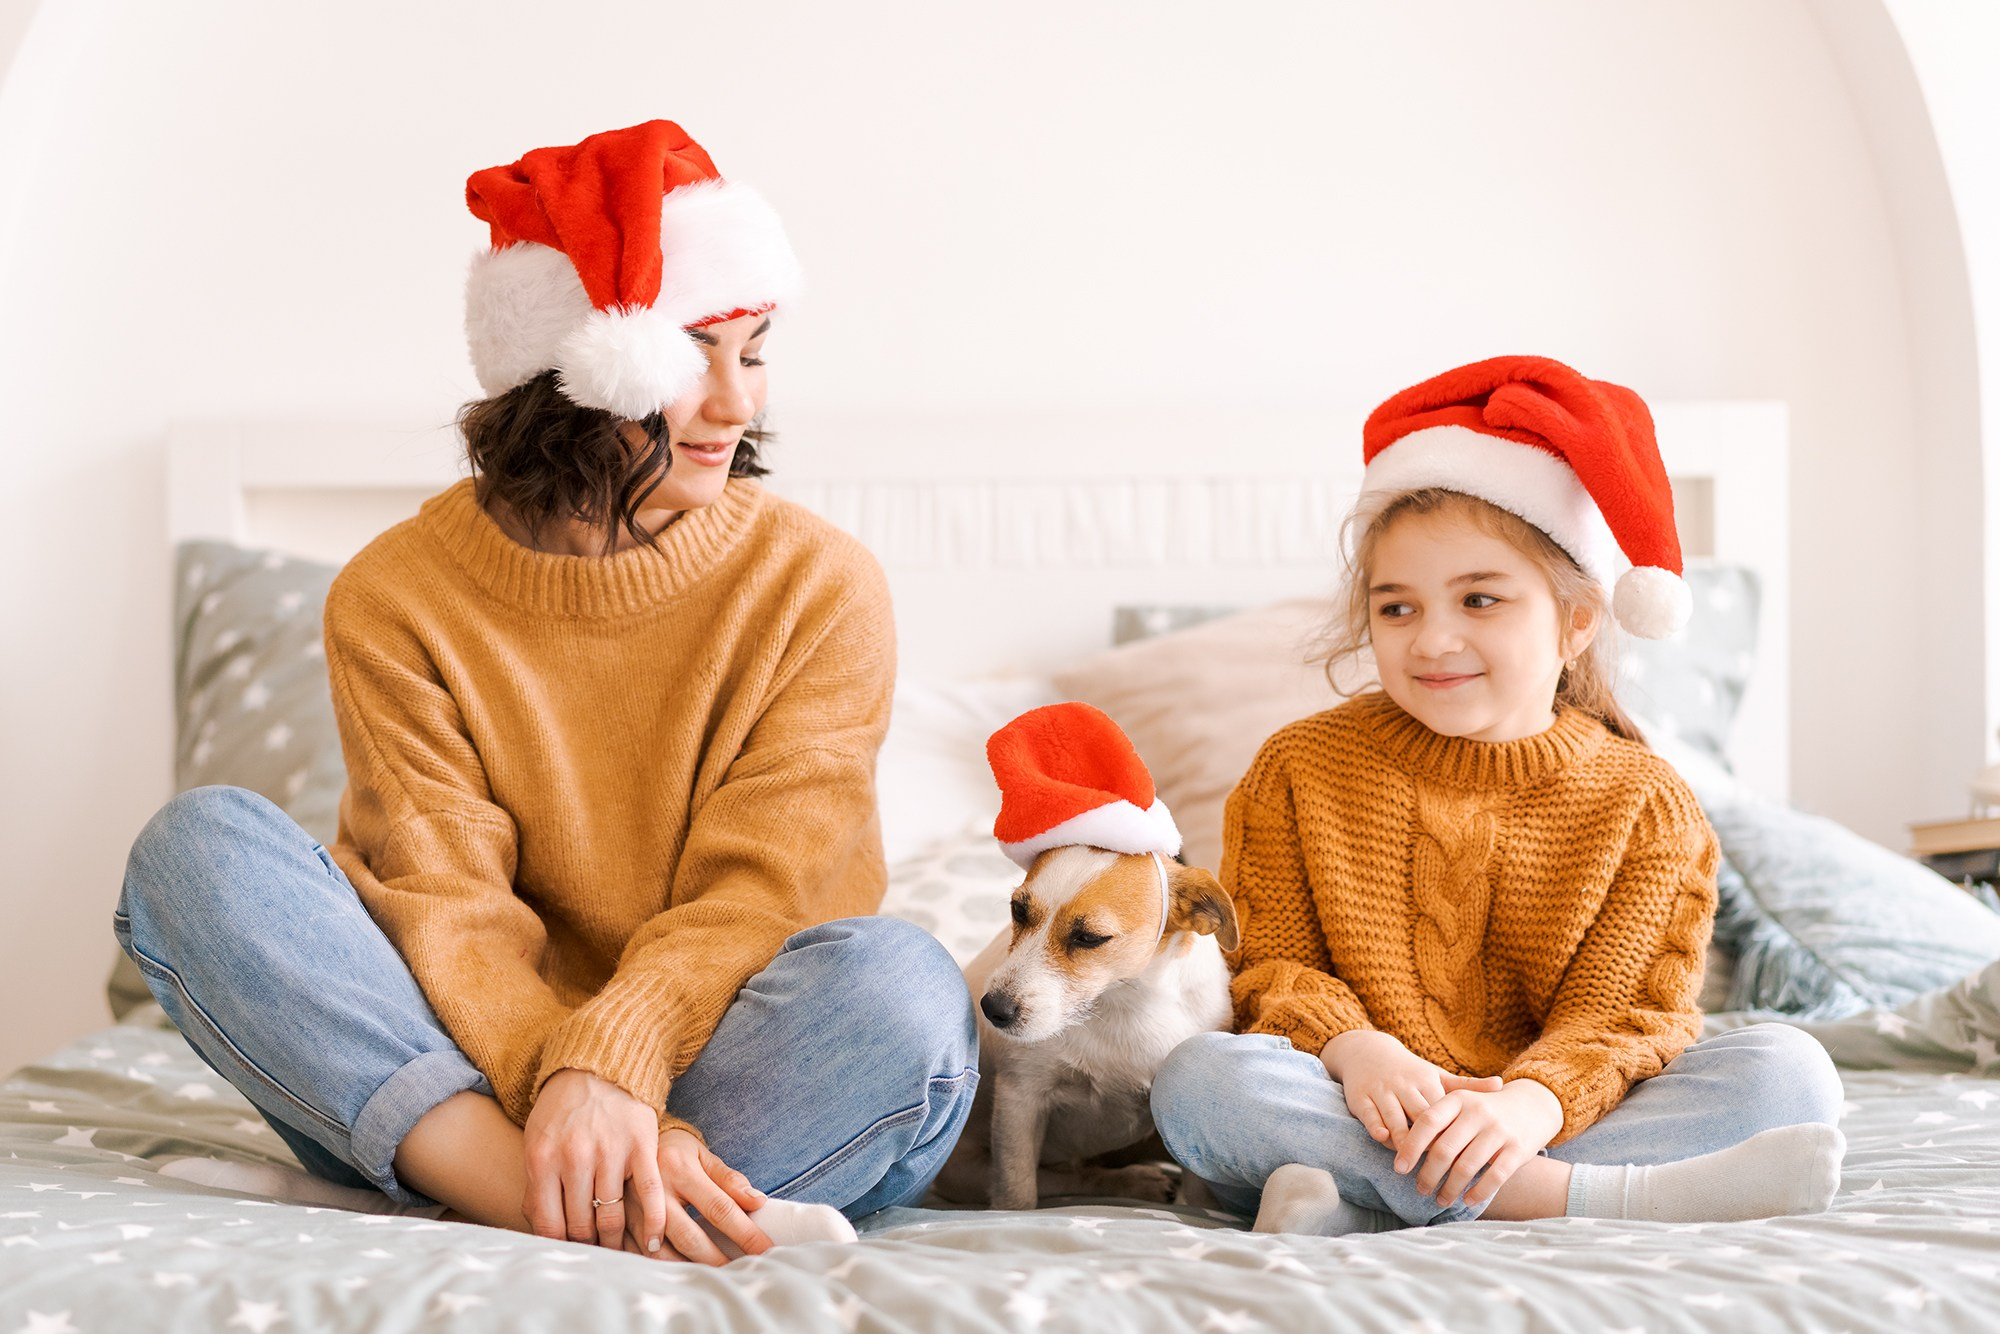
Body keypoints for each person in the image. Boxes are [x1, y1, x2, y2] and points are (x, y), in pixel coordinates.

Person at [115, 120, 978, 1264]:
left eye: (755, 349)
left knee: (904, 991)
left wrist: (611, 1060)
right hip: (452, 1071)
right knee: (196, 849)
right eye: (691, 355)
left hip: (719, 1065)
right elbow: (447, 905)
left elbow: (760, 898)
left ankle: (484, 1191)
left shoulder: (819, 587)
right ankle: (550, 1196)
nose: (736, 405)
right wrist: (561, 1080)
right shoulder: (395, 595)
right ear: (569, 369)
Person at [1149, 355, 1844, 1233]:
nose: (1433, 638)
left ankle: (1367, 1204)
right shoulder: (1297, 769)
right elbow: (1270, 967)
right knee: (1201, 1083)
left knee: (1790, 1073)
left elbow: (1626, 1018)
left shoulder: (1644, 802)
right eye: (1397, 608)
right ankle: (1584, 1202)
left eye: (1480, 599)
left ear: (1579, 619)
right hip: (1355, 1101)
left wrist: (1527, 1105)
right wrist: (1357, 1051)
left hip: (1553, 1117)